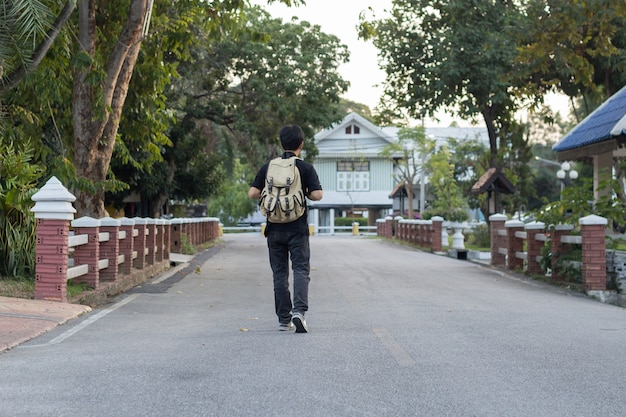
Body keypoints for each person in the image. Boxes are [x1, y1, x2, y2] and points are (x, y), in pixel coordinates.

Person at [248, 125, 323, 333]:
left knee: (279, 274)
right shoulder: (304, 168)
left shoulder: (269, 167)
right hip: (297, 228)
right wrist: (304, 192)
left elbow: (252, 193)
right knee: (300, 269)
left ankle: (284, 319)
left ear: (281, 144)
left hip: (274, 229)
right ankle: (299, 311)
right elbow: (317, 195)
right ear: (301, 144)